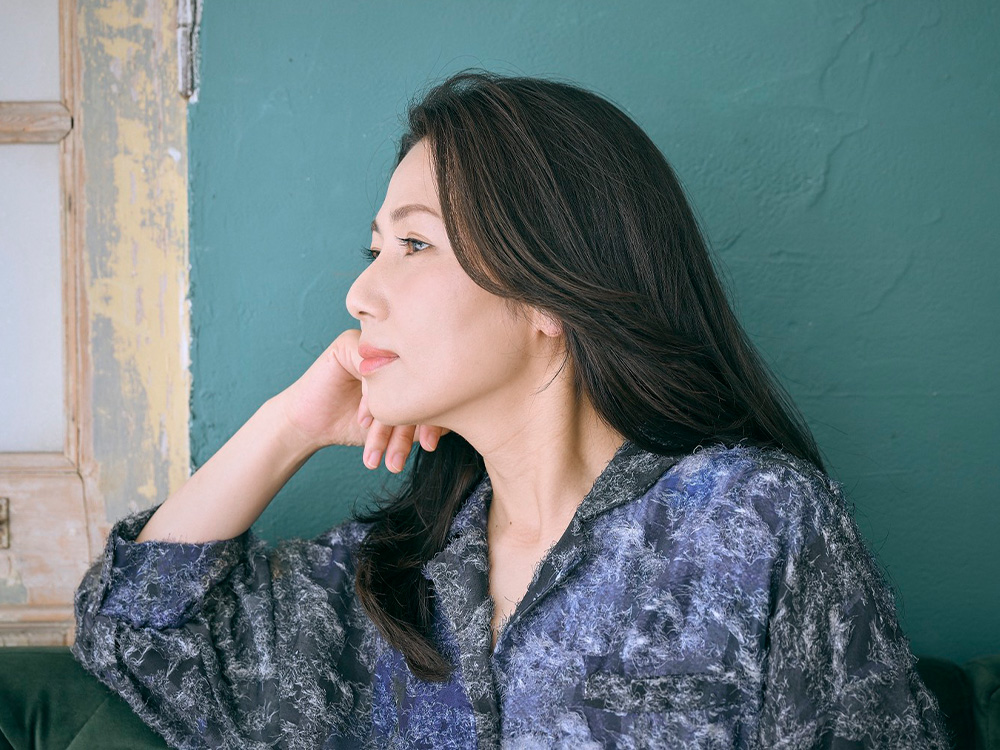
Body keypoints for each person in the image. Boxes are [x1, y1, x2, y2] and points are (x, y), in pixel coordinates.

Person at [71, 69, 950, 749]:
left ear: (548, 291)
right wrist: (288, 427)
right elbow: (133, 630)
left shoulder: (748, 523)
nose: (360, 293)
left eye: (414, 243)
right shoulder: (389, 581)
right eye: (374, 249)